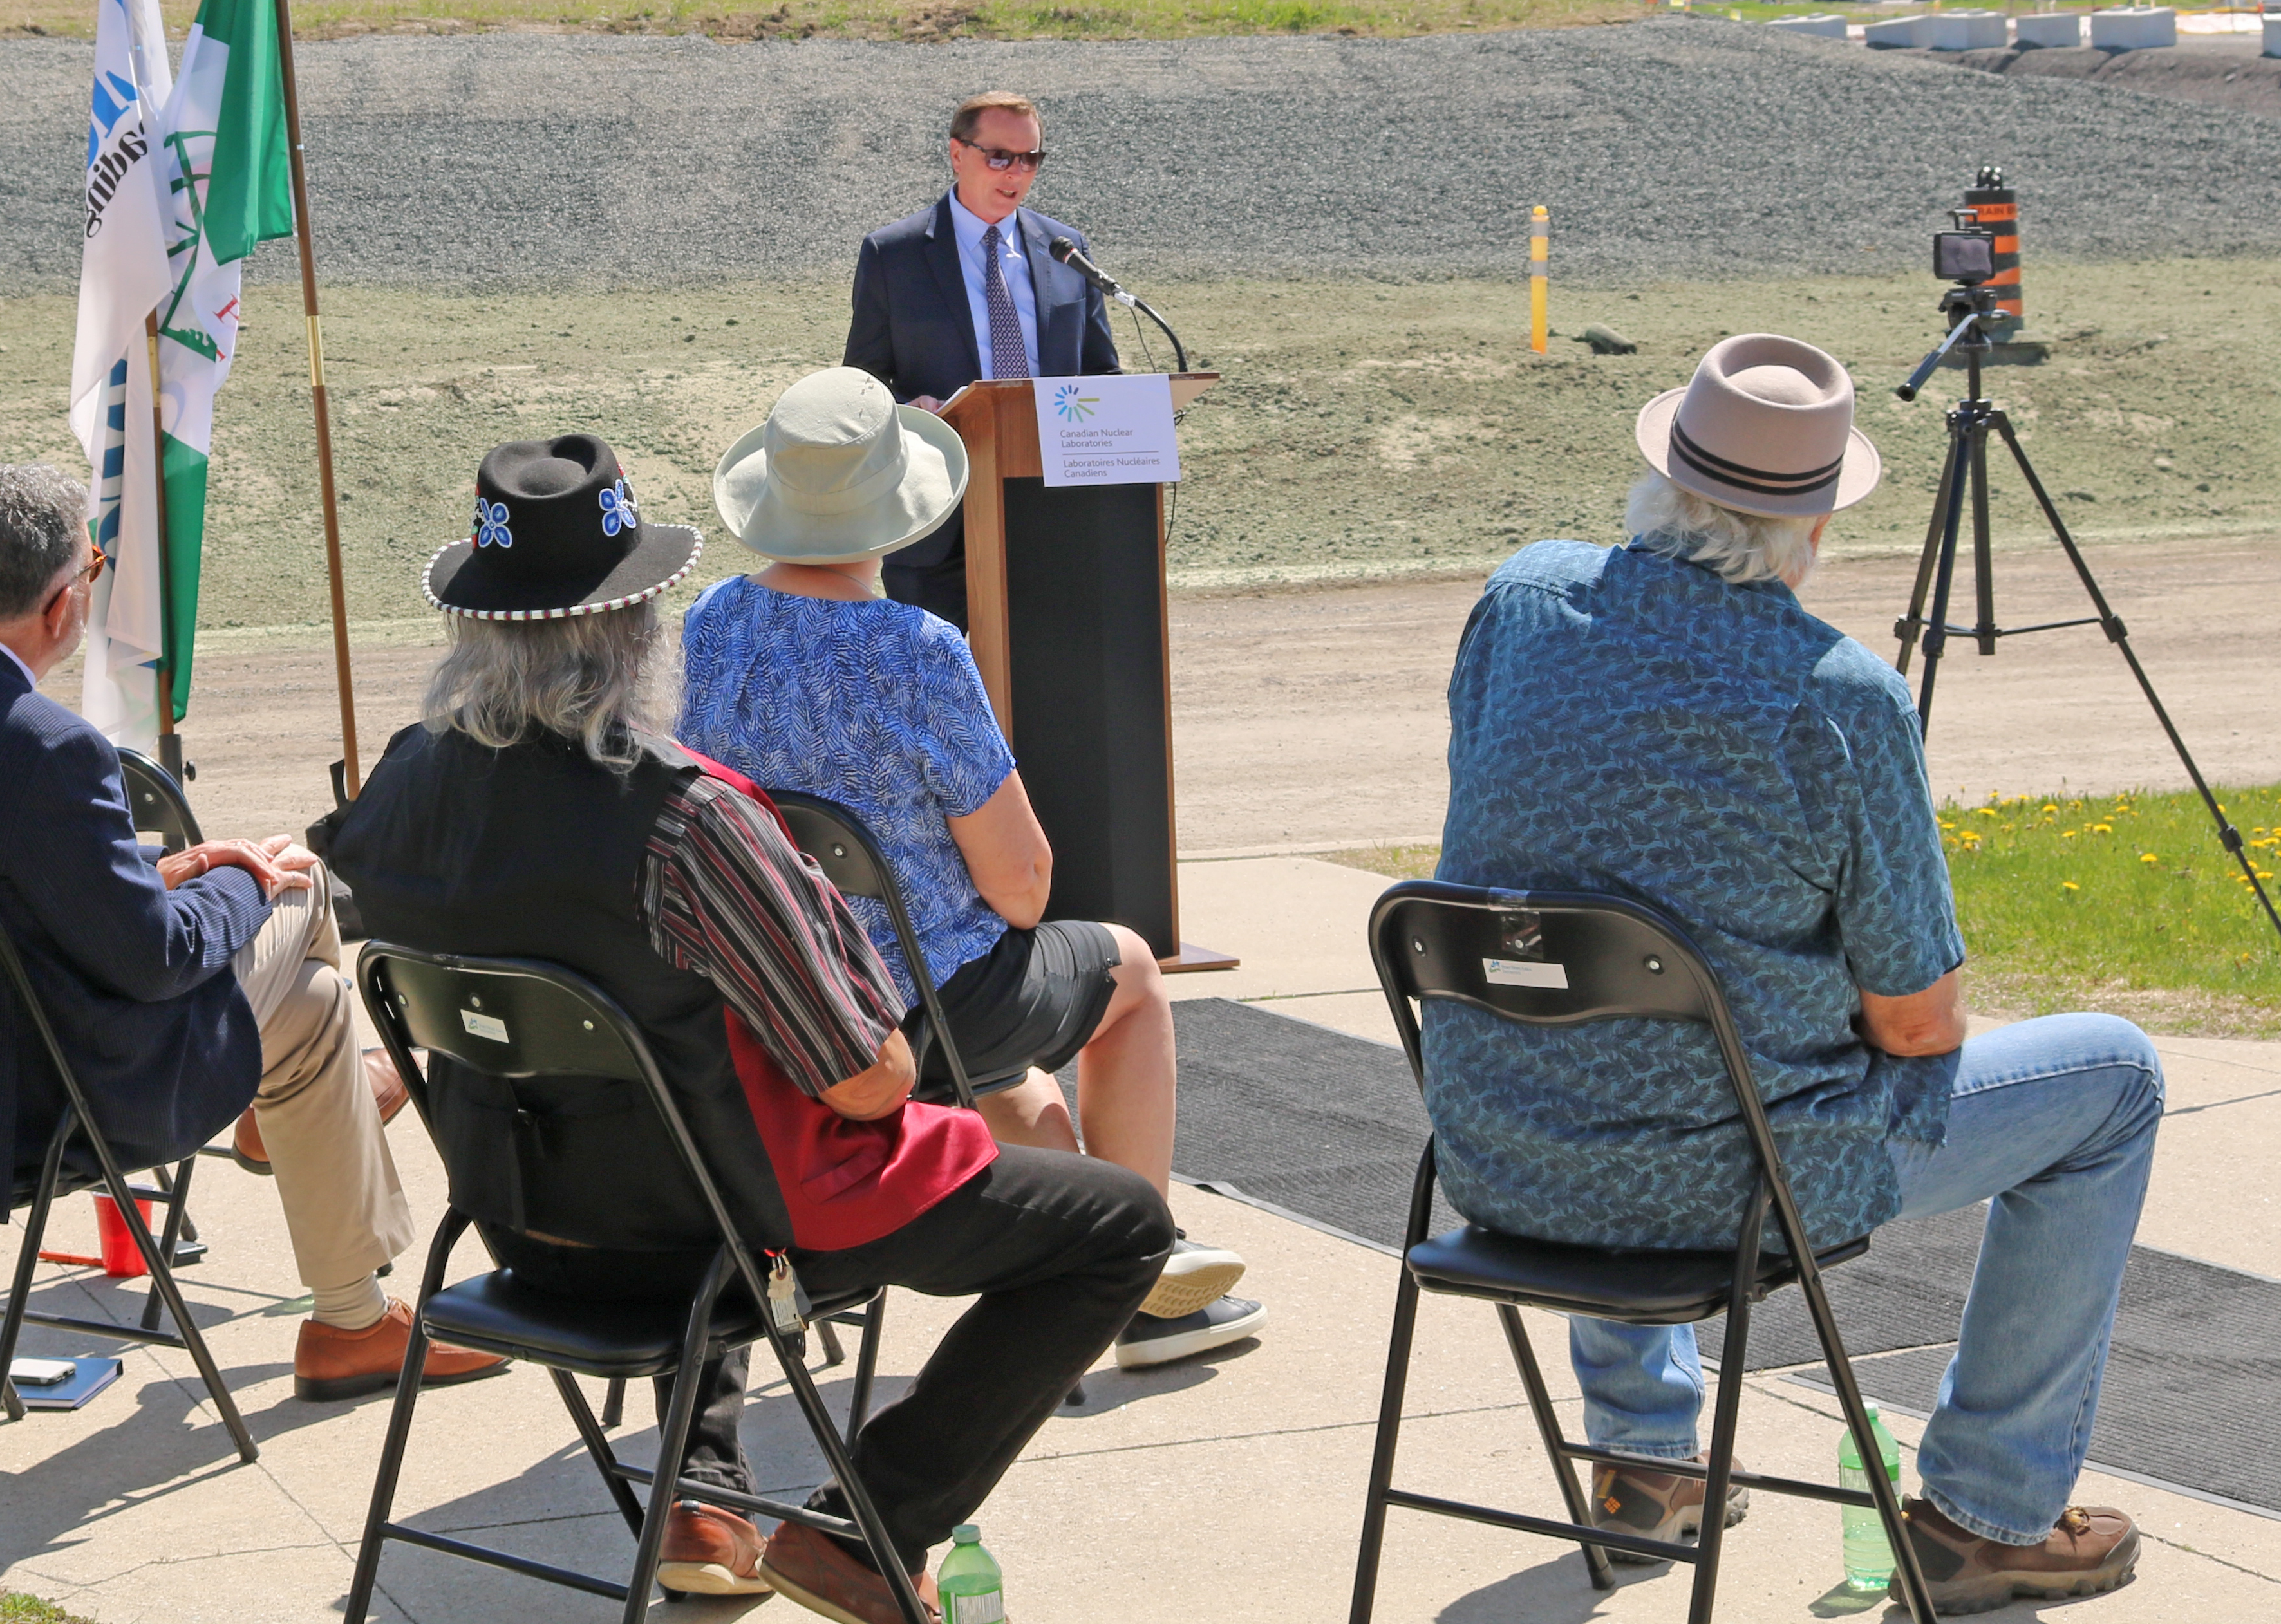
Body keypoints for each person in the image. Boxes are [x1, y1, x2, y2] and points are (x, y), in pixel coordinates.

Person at [328, 434, 1174, 1624]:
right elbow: (872, 1081)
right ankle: (868, 1527)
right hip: (720, 1234)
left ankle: (705, 1491)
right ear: (634, 629)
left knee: (681, 1104)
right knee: (1119, 1227)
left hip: (521, 1218)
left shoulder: (405, 784)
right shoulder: (688, 818)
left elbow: (353, 886)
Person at [1432, 334, 2158, 1612]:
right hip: (1738, 1181)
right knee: (2115, 1079)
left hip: (1498, 1149)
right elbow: (1921, 1023)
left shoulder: (1522, 601)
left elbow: (1519, 846)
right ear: (1815, 520)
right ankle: (1989, 1509)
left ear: (1661, 475)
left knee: (1624, 1001)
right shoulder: (1840, 696)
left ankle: (1644, 1461)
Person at [0, 463, 503, 1404]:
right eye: (91, 566)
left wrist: (164, 871)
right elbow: (158, 958)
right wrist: (246, 878)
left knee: (312, 1007)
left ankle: (347, 1301)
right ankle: (328, 1267)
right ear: (61, 606)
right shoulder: (47, 746)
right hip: (46, 1100)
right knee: (301, 895)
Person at [677, 366, 1264, 1368]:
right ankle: (1137, 1271)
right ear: (893, 511)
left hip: (765, 991)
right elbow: (1022, 886)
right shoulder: (916, 648)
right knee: (1123, 973)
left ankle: (1103, 1256)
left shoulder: (711, 622)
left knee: (1023, 1079)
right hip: (905, 1008)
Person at [840, 89, 1120, 626]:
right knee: (931, 696)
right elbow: (862, 384)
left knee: (1046, 680)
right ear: (956, 153)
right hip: (938, 517)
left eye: (1031, 158)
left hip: (1053, 511)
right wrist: (907, 408)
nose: (1016, 172)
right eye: (1000, 156)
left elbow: (1101, 373)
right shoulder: (893, 254)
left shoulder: (1067, 248)